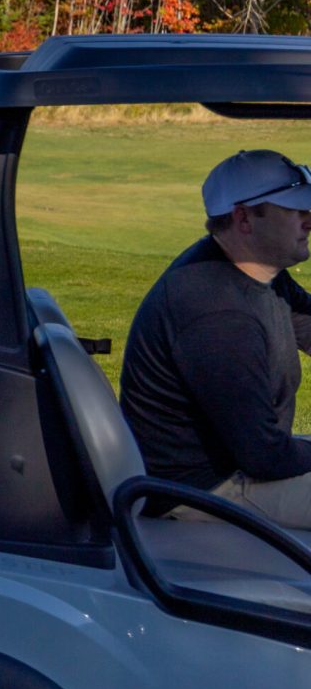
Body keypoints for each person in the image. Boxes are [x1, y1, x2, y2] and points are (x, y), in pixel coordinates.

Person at [120, 148, 311, 527]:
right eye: (295, 210)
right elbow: (263, 456)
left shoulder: (259, 272)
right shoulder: (217, 312)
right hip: (201, 491)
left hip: (242, 466)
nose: (309, 220)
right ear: (244, 218)